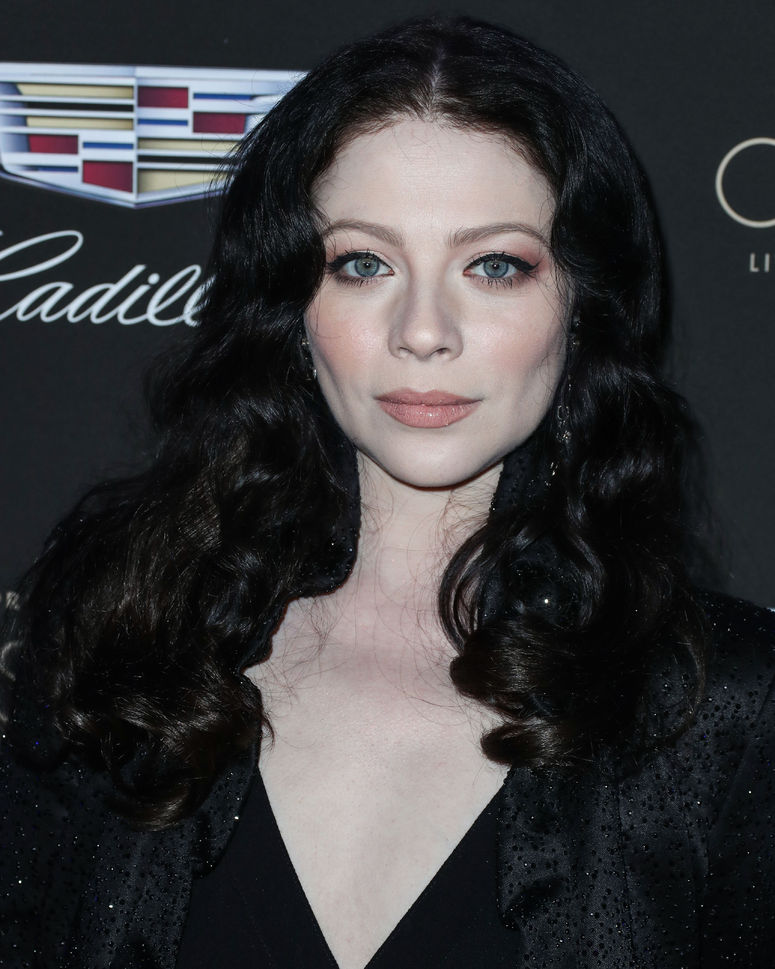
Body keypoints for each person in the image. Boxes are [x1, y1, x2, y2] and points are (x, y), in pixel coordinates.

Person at [1, 15, 773, 969]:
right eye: (362, 263)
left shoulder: (723, 707)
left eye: (494, 265)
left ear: (582, 303)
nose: (422, 329)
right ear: (292, 304)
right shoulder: (123, 643)